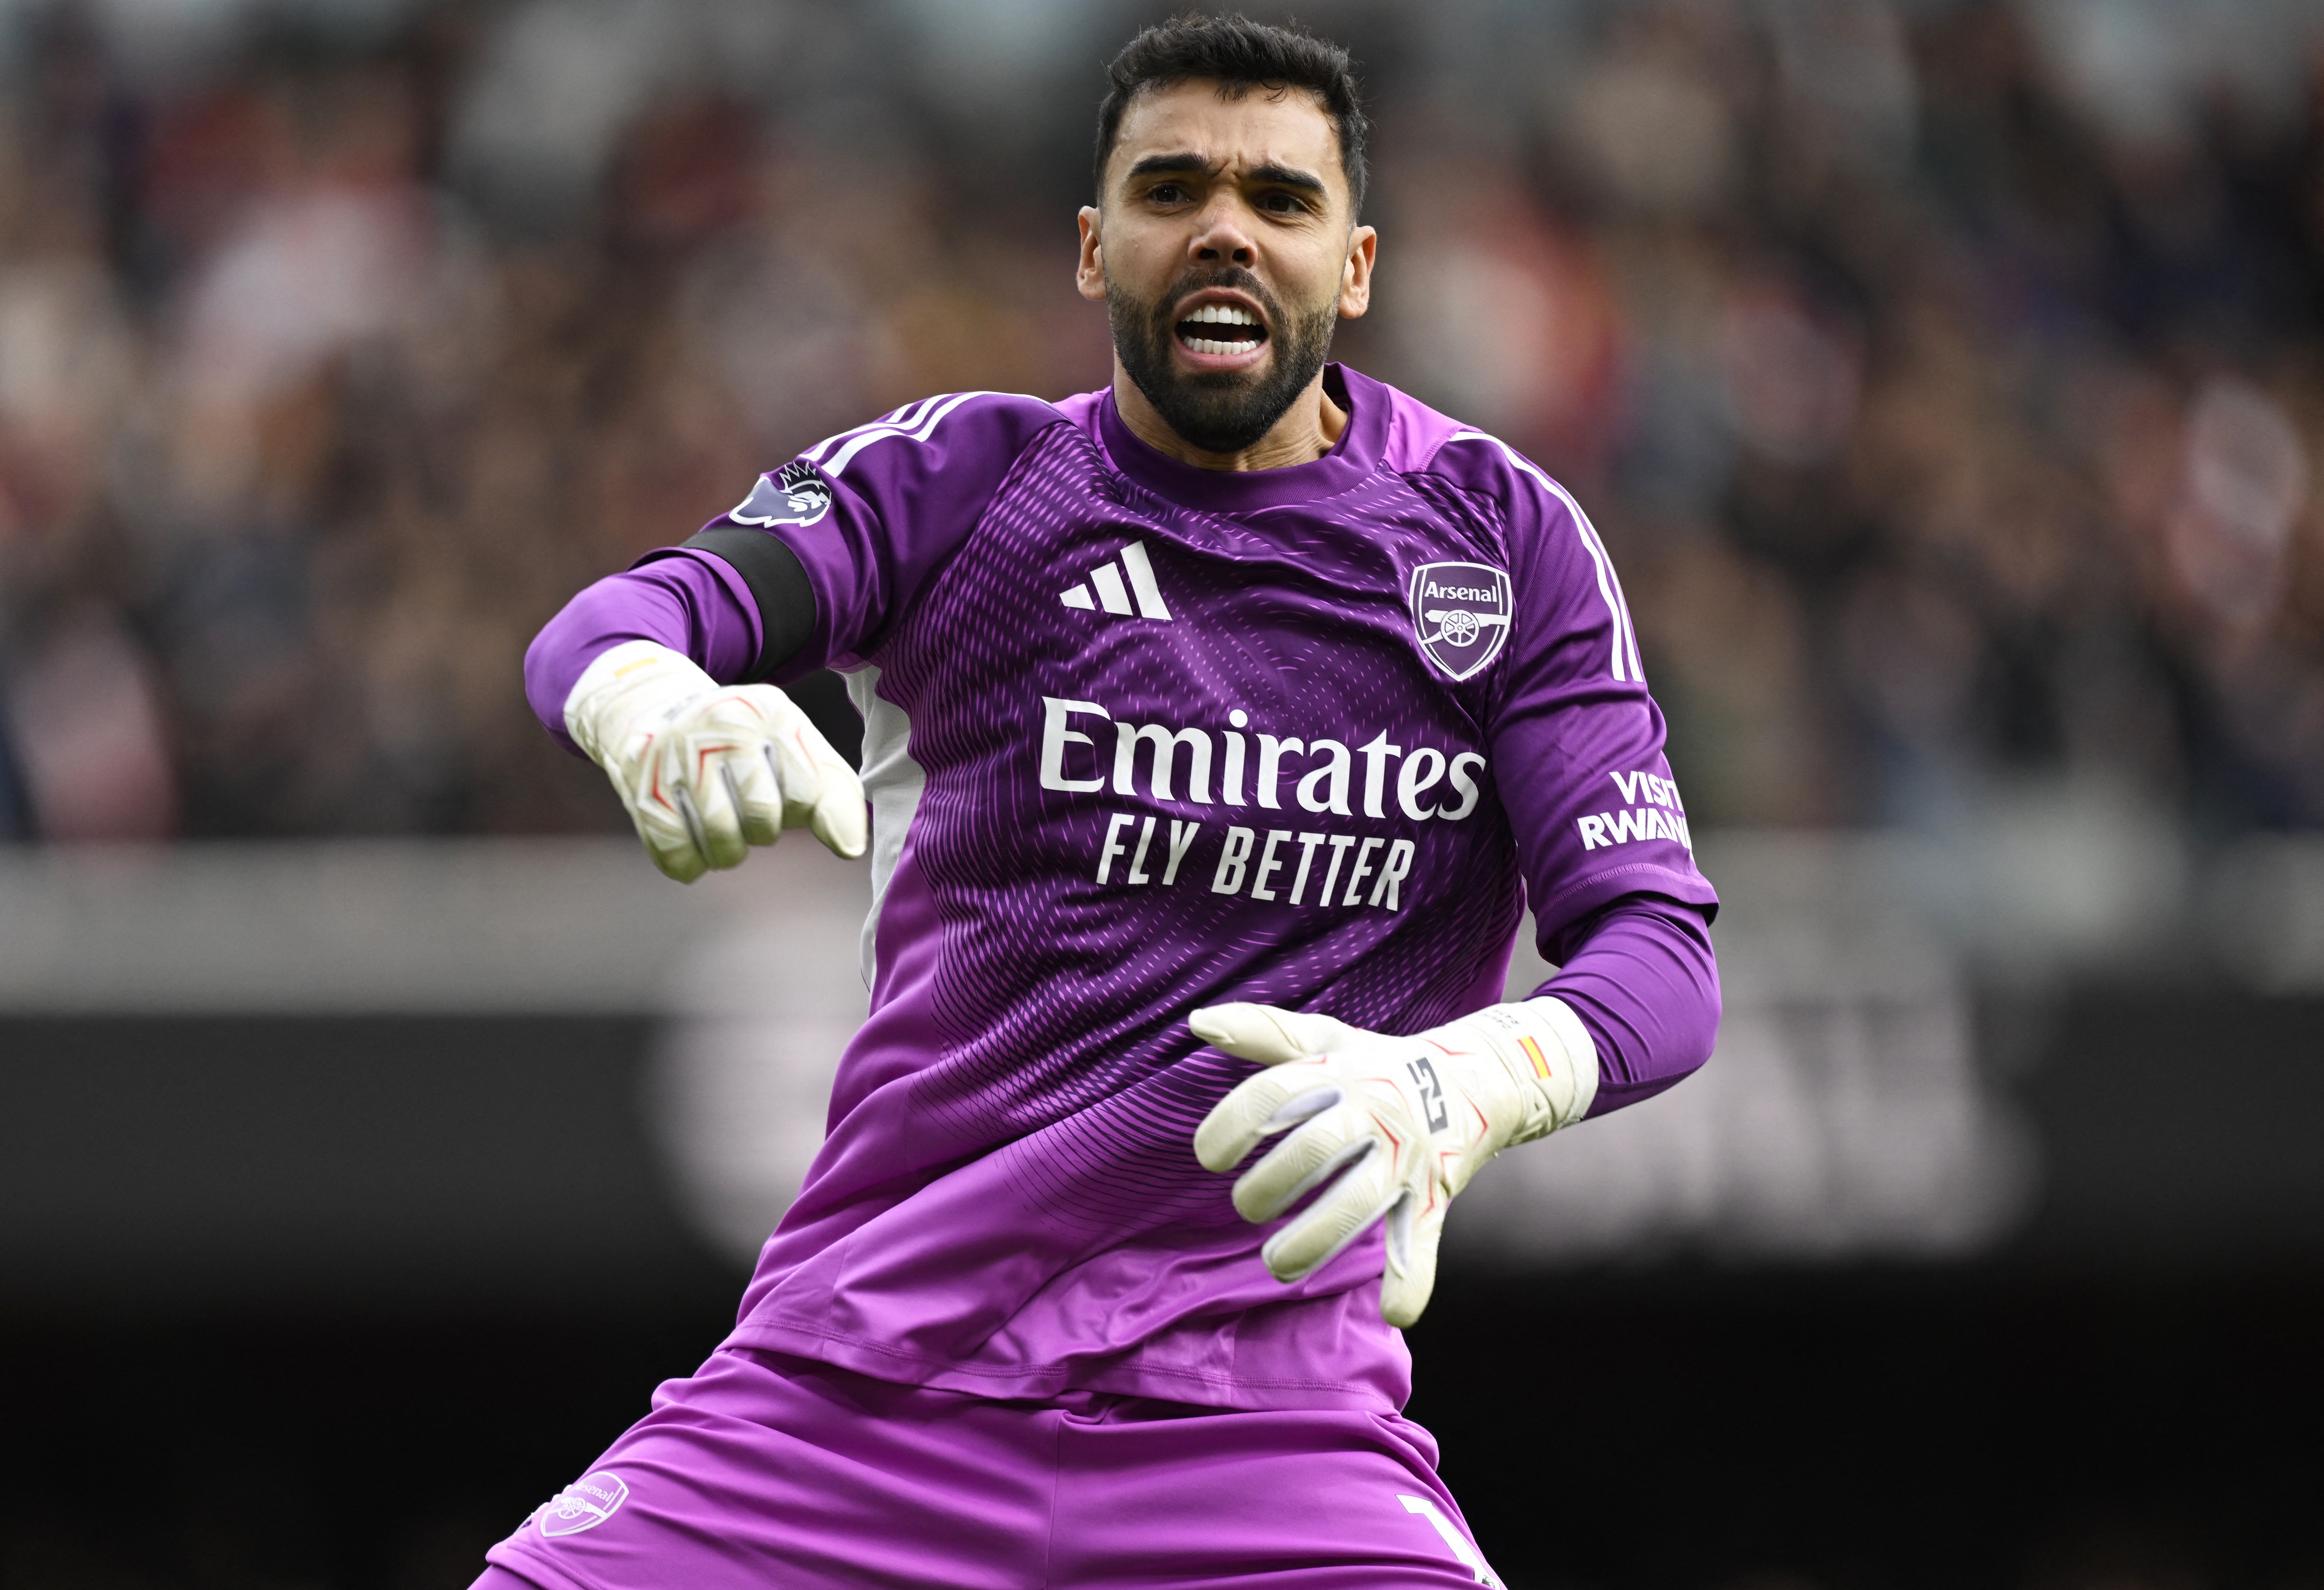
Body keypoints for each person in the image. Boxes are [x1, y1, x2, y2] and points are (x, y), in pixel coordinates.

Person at [487, 15, 1719, 1588]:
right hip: (855, 1407)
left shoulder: (1500, 542)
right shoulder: (963, 485)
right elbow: (615, 620)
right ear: (1095, 248)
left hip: (1273, 1445)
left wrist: (1463, 1084)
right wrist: (649, 701)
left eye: (1279, 199)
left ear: (1354, 264)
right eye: (1172, 188)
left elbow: (1660, 962)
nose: (1223, 227)